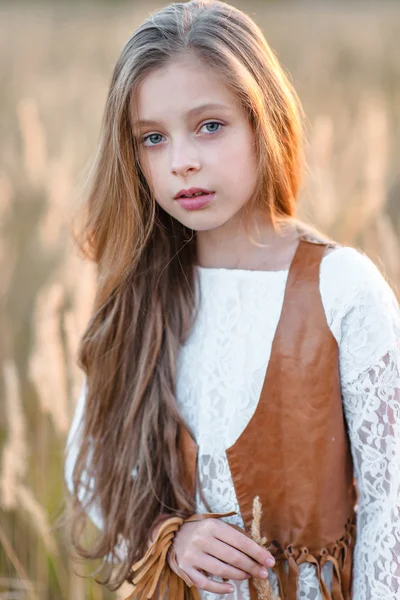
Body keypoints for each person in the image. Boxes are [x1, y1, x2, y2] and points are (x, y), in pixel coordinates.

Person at [64, 1, 400, 599]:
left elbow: (390, 506)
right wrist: (166, 536)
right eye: (153, 138)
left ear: (262, 119)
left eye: (210, 126)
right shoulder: (140, 289)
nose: (182, 160)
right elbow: (88, 468)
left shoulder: (342, 288)